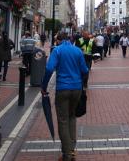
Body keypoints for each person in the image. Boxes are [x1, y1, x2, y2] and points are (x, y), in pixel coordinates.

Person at [41, 32, 88, 161]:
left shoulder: (58, 51)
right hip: (76, 89)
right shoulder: (77, 51)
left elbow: (49, 69)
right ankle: (71, 150)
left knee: (62, 120)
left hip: (62, 89)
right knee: (72, 116)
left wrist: (44, 86)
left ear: (59, 40)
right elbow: (85, 70)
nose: (55, 42)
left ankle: (67, 154)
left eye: (56, 40)